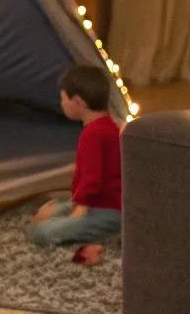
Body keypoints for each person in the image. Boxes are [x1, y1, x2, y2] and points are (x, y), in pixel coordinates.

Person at [30, 65, 122, 263]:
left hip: (107, 211)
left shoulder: (92, 134)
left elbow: (93, 180)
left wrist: (78, 212)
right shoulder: (108, 126)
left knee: (40, 233)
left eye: (63, 99)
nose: (61, 103)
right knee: (48, 210)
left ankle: (100, 233)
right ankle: (68, 215)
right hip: (100, 203)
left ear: (78, 102)